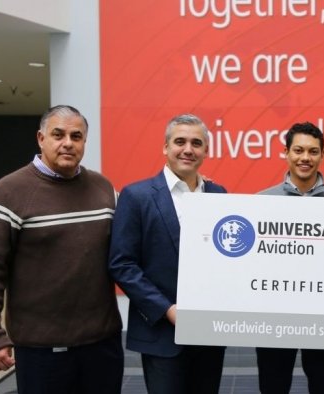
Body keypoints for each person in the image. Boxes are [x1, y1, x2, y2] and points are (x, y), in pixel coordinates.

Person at [0, 105, 124, 393]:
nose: (67, 143)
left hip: (102, 344)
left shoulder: (102, 188)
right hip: (41, 350)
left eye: (76, 136)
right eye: (58, 135)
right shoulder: (7, 191)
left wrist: (194, 194)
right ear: (41, 138)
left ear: (84, 142)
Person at [108, 114, 226, 393]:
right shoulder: (136, 196)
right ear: (165, 147)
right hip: (161, 332)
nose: (188, 149)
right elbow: (122, 264)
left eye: (197, 143)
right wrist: (167, 310)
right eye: (180, 141)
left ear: (206, 151)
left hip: (208, 334)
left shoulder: (219, 195)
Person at [257, 121, 324, 393]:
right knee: (272, 386)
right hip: (274, 319)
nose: (305, 158)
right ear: (286, 153)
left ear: (322, 155)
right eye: (298, 150)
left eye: (313, 151)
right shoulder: (260, 202)